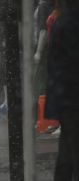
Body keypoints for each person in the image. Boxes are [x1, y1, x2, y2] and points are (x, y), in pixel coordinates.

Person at [45, 0, 79, 180]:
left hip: (66, 98)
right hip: (72, 98)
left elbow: (54, 64)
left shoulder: (63, 22)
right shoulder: (70, 23)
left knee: (67, 149)